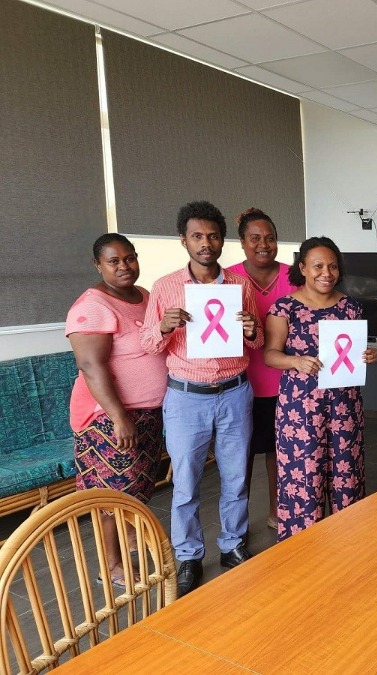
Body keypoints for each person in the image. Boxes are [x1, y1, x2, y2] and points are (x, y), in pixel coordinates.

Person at [140, 200, 263, 597]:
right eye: (197, 236)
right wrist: (163, 326)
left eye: (212, 236)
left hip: (234, 392)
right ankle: (189, 555)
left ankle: (232, 544)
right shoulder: (165, 287)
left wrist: (248, 330)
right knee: (187, 483)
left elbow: (258, 341)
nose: (205, 243)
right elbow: (147, 344)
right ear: (184, 240)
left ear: (221, 239)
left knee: (235, 476)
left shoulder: (239, 285)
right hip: (186, 398)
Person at [66, 234, 168, 588]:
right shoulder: (92, 306)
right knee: (110, 494)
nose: (124, 266)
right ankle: (109, 566)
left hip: (147, 412)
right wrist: (119, 417)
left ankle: (126, 538)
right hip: (107, 416)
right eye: (114, 261)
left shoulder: (143, 297)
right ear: (98, 265)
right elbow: (92, 367)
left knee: (136, 485)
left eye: (129, 258)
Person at [264, 237, 377, 540]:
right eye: (317, 266)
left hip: (345, 411)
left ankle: (347, 550)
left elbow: (356, 353)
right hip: (300, 415)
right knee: (304, 483)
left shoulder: (350, 307)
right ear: (302, 268)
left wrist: (370, 356)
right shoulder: (284, 307)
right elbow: (269, 354)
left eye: (332, 266)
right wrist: (295, 361)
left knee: (347, 481)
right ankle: (303, 557)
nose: (326, 272)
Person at [226, 207, 295, 530]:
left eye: (270, 238)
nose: (263, 244)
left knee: (280, 453)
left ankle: (277, 512)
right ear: (242, 242)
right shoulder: (226, 280)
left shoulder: (296, 276)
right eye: (255, 238)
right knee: (240, 458)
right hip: (241, 383)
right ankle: (237, 525)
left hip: (287, 381)